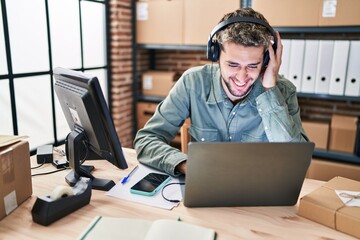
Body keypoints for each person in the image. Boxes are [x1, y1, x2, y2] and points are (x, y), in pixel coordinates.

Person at [134, 8, 308, 177]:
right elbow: (146, 139)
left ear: (266, 61)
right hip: (204, 187)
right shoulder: (193, 83)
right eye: (233, 65)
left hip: (259, 193)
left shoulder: (283, 90)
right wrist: (185, 164)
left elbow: (297, 161)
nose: (242, 77)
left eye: (252, 66)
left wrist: (270, 89)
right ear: (215, 55)